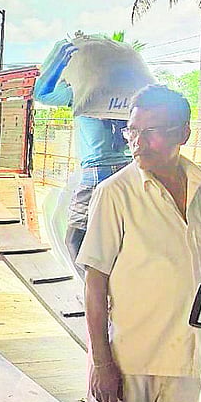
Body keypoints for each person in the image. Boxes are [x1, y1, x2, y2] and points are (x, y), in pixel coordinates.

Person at [76, 85, 201, 402]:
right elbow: (95, 285)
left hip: (187, 360)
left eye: (151, 132)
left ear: (183, 133)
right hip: (128, 360)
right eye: (132, 131)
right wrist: (102, 362)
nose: (137, 143)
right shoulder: (115, 194)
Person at [34, 39, 134, 268]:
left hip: (97, 170)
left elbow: (41, 93)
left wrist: (59, 59)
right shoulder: (129, 91)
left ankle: (93, 294)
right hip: (129, 167)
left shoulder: (82, 89)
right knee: (117, 236)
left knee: (75, 238)